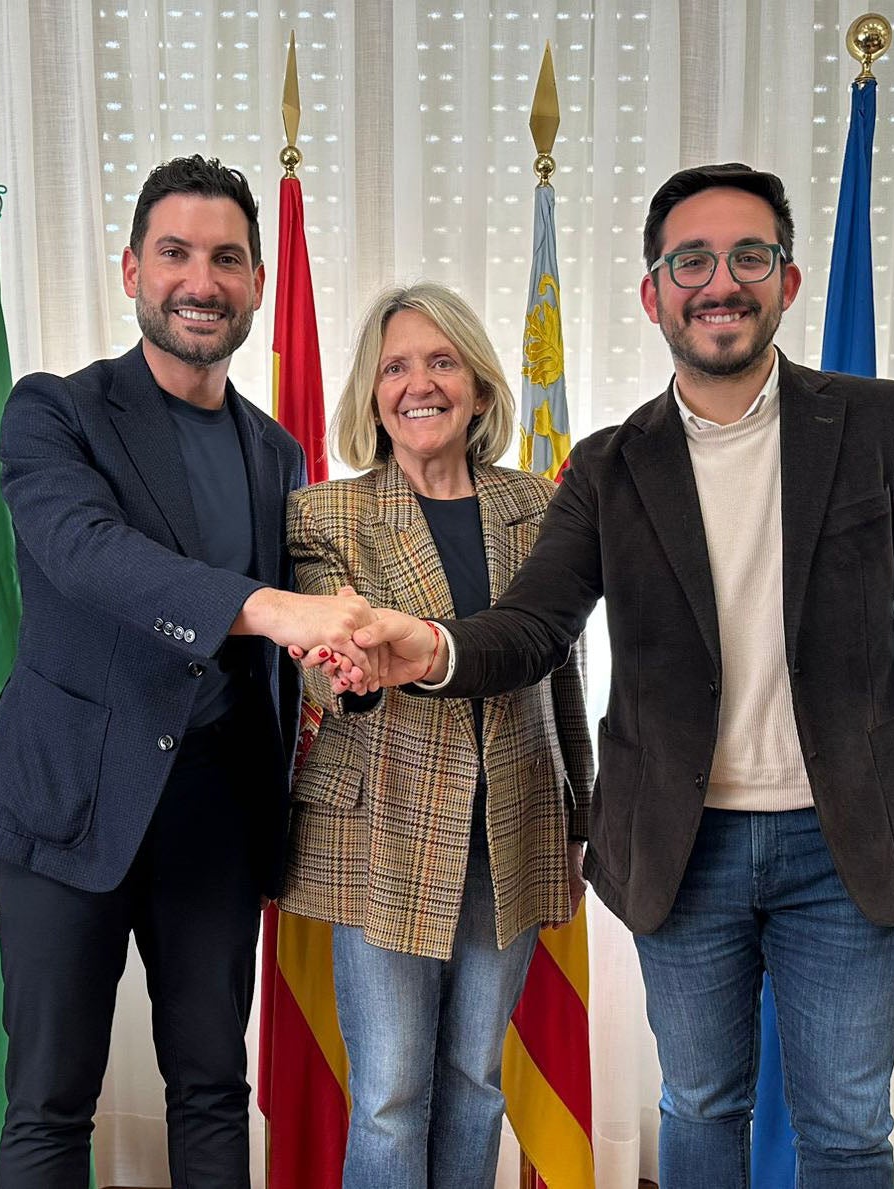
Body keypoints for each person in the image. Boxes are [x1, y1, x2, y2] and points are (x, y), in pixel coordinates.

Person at [319, 163, 894, 1187]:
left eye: (749, 257)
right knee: (698, 1106)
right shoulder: (608, 465)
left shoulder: (884, 427)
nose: (720, 282)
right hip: (680, 845)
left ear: (787, 281)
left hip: (847, 841)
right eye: (690, 261)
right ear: (654, 294)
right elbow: (533, 628)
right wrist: (428, 647)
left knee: (844, 1127)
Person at [0, 154, 375, 1189]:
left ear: (257, 284)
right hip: (65, 801)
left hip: (215, 810)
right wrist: (272, 609)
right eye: (176, 253)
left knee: (213, 1088)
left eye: (227, 259)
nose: (201, 280)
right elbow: (90, 554)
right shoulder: (53, 411)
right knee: (49, 1100)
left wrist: (348, 651)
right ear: (132, 269)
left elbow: (289, 646)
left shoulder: (276, 451)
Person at [279, 282, 594, 1189]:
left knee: (476, 1080)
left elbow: (561, 667)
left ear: (481, 386)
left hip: (513, 823)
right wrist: (346, 666)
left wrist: (580, 811)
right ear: (372, 394)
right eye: (396, 368)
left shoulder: (539, 505)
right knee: (389, 1092)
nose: (419, 384)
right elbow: (322, 656)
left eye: (442, 361)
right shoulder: (325, 514)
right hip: (383, 828)